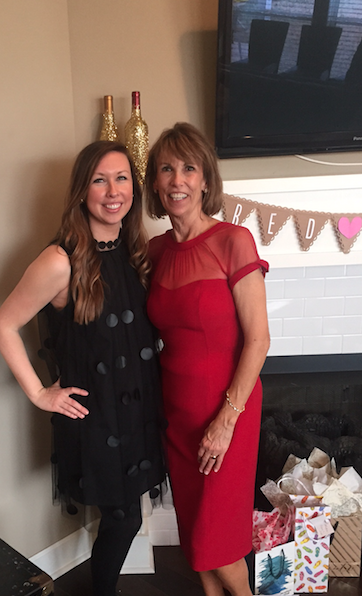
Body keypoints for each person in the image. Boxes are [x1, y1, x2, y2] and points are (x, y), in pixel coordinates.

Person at [0, 140, 166, 596]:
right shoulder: (59, 261)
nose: (113, 191)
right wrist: (39, 393)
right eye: (99, 180)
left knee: (124, 517)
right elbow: (3, 324)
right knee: (124, 518)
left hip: (136, 412)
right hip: (96, 419)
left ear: (134, 188)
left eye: (122, 178)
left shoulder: (135, 249)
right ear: (82, 191)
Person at [145, 123, 270, 596]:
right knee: (194, 530)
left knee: (218, 541)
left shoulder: (233, 241)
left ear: (204, 180)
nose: (177, 180)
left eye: (188, 168)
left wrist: (226, 419)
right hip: (176, 413)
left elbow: (258, 340)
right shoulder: (155, 252)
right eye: (166, 169)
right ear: (155, 183)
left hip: (227, 410)